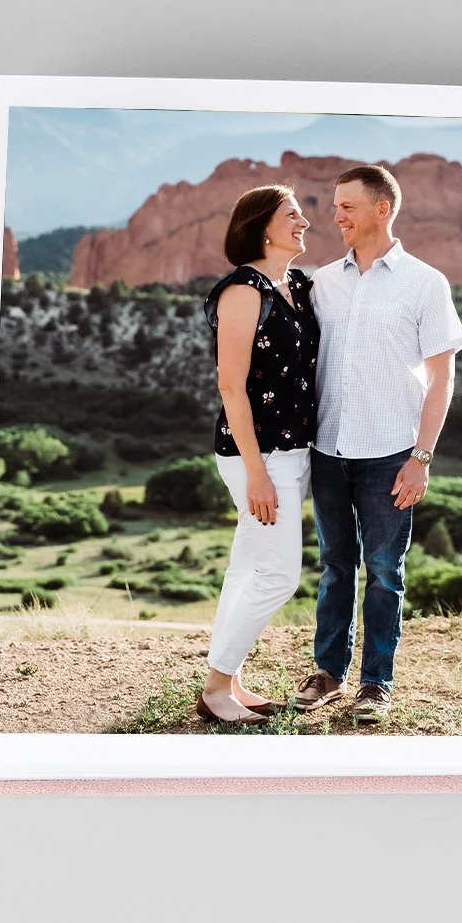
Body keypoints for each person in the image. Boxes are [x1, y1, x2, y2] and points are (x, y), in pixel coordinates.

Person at [290, 165, 462, 724]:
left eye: (346, 206)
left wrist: (421, 458)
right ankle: (328, 672)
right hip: (327, 451)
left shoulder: (425, 282)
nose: (334, 215)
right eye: (335, 205)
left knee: (385, 570)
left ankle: (376, 683)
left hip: (392, 454)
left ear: (381, 210)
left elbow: (442, 380)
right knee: (335, 567)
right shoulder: (322, 281)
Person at [197, 185, 320, 726]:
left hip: (293, 450)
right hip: (259, 455)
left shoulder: (294, 284)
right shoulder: (243, 291)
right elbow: (230, 386)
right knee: (278, 575)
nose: (304, 223)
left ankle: (230, 680)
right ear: (263, 227)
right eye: (292, 215)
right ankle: (216, 687)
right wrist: (256, 474)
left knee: (247, 568)